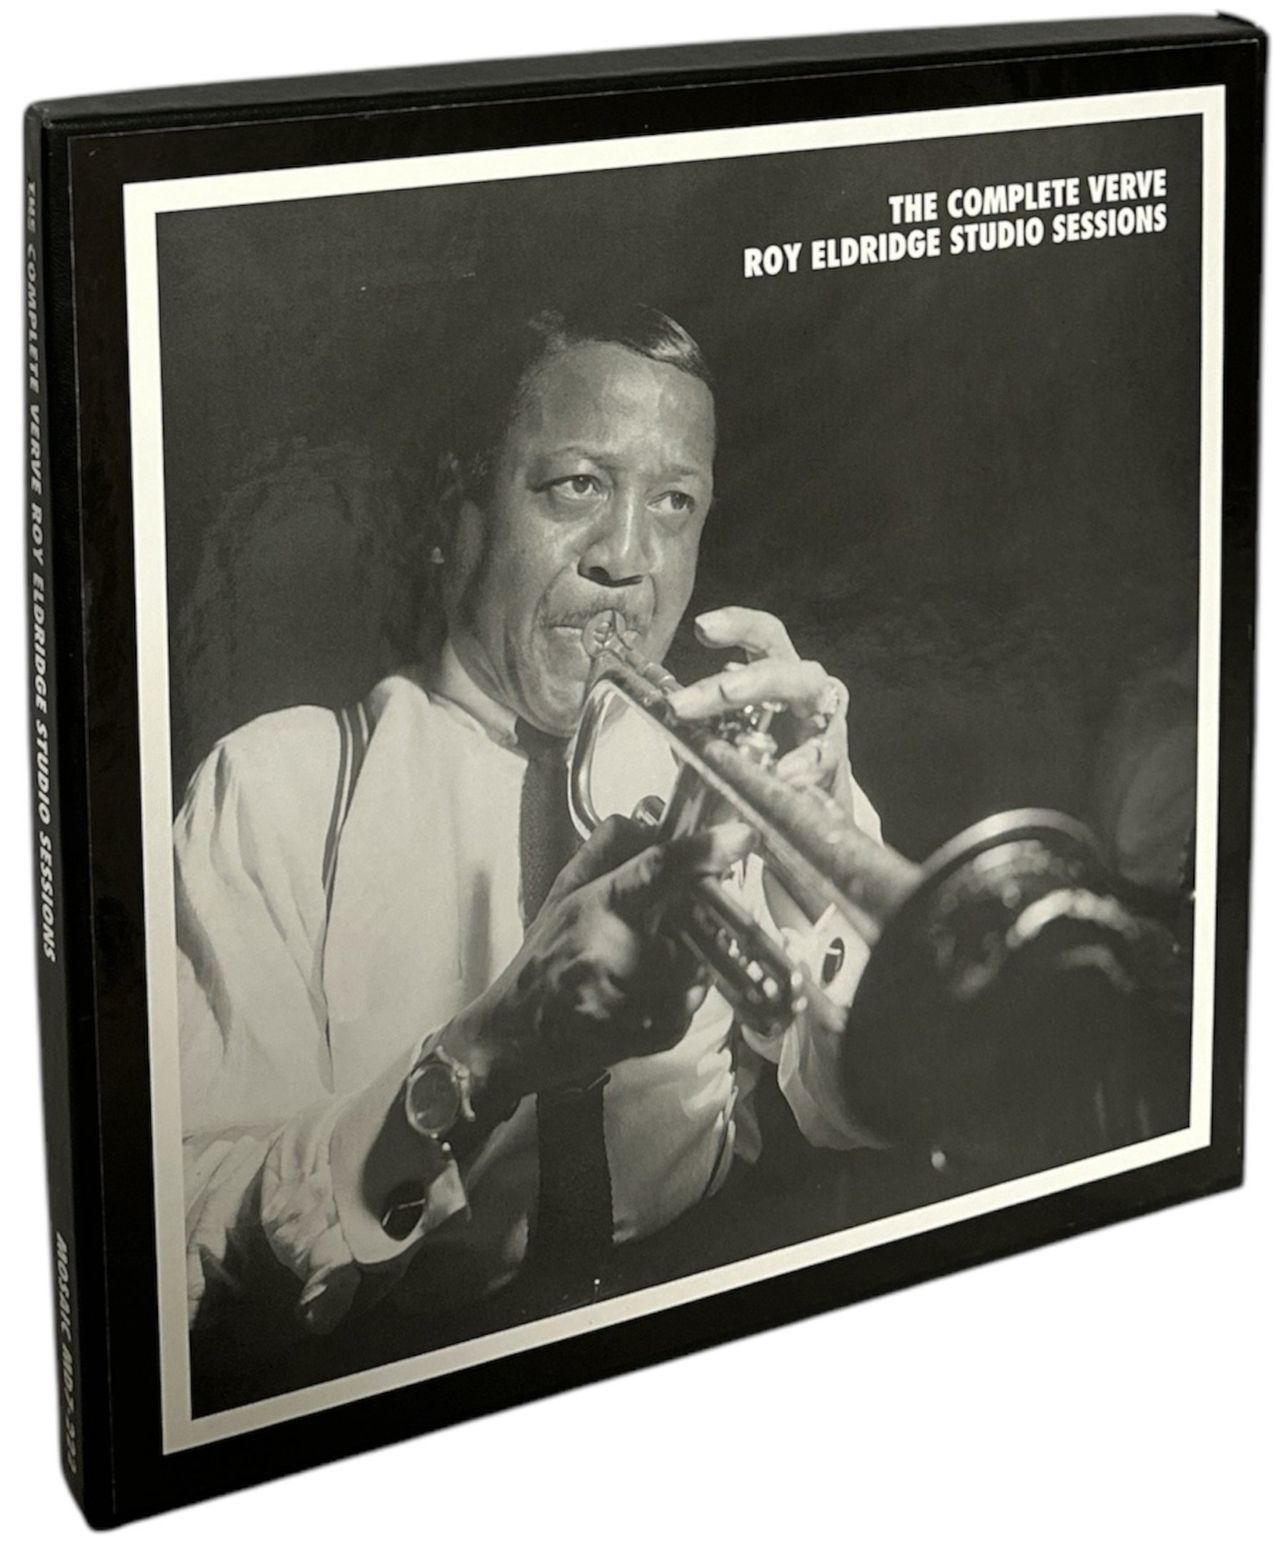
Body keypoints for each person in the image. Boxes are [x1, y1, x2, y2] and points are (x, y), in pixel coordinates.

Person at [178, 302, 883, 1382]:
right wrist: (487, 1053)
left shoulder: (739, 758)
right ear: (450, 516)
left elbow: (868, 1114)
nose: (628, 560)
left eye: (675, 503)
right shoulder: (275, 787)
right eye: (577, 487)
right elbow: (188, 1271)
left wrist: (815, 857)